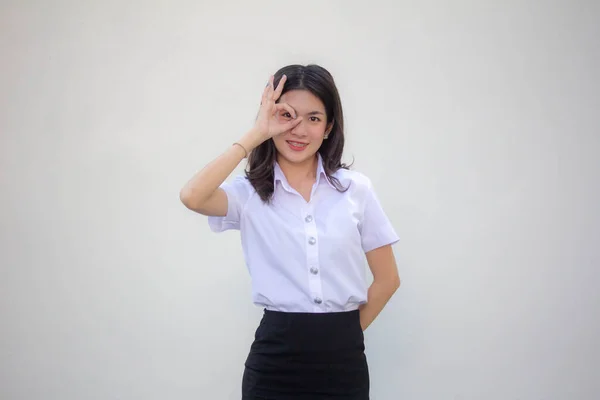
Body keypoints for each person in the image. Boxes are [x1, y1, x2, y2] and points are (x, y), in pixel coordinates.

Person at [180, 64, 401, 399]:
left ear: (328, 127)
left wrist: (343, 335)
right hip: (275, 362)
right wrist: (256, 133)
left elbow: (388, 280)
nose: (298, 129)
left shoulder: (355, 189)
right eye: (287, 115)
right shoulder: (249, 193)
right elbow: (192, 196)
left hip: (344, 364)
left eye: (313, 118)